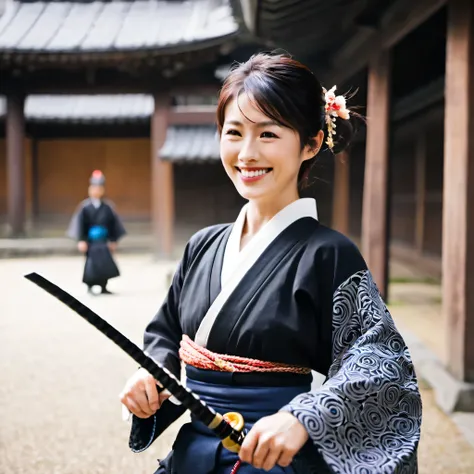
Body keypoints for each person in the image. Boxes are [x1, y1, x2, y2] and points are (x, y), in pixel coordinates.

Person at [120, 52, 421, 474]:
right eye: (234, 132)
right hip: (194, 457)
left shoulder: (329, 254)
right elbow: (167, 332)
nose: (246, 153)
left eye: (268, 135)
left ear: (311, 143)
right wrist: (149, 377)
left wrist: (304, 416)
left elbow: (380, 361)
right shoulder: (202, 245)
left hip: (274, 460)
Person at [67, 170, 126, 295]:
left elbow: (113, 224)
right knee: (91, 264)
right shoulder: (84, 207)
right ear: (90, 189)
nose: (96, 191)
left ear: (102, 190)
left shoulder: (108, 207)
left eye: (99, 188)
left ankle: (104, 286)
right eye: (94, 188)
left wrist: (113, 240)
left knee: (104, 263)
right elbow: (80, 224)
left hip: (103, 241)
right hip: (91, 241)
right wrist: (81, 240)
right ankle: (90, 286)